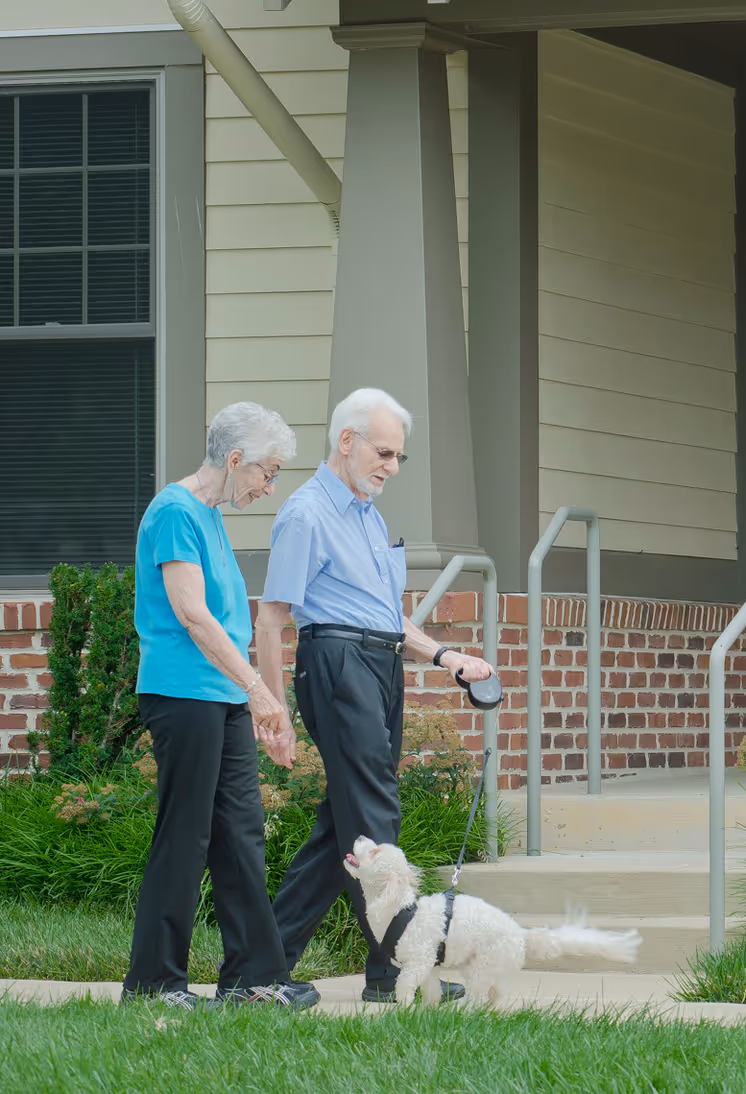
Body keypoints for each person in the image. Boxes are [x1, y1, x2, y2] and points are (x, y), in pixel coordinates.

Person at [257, 386, 495, 1004]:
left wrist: (447, 656)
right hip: (336, 662)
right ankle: (395, 974)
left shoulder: (369, 515)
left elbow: (388, 618)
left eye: (399, 457)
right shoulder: (306, 514)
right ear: (347, 441)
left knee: (343, 822)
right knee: (375, 816)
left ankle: (264, 962)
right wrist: (274, 708)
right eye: (384, 454)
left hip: (380, 664)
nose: (392, 467)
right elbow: (272, 619)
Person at [123, 402, 314, 1011]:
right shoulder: (176, 511)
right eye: (267, 471)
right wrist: (260, 693)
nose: (269, 485)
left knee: (240, 834)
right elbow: (193, 616)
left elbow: (235, 622)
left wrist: (256, 698)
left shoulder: (209, 515)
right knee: (186, 836)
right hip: (183, 695)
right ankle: (154, 986)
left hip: (223, 696)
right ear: (235, 460)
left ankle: (254, 979)